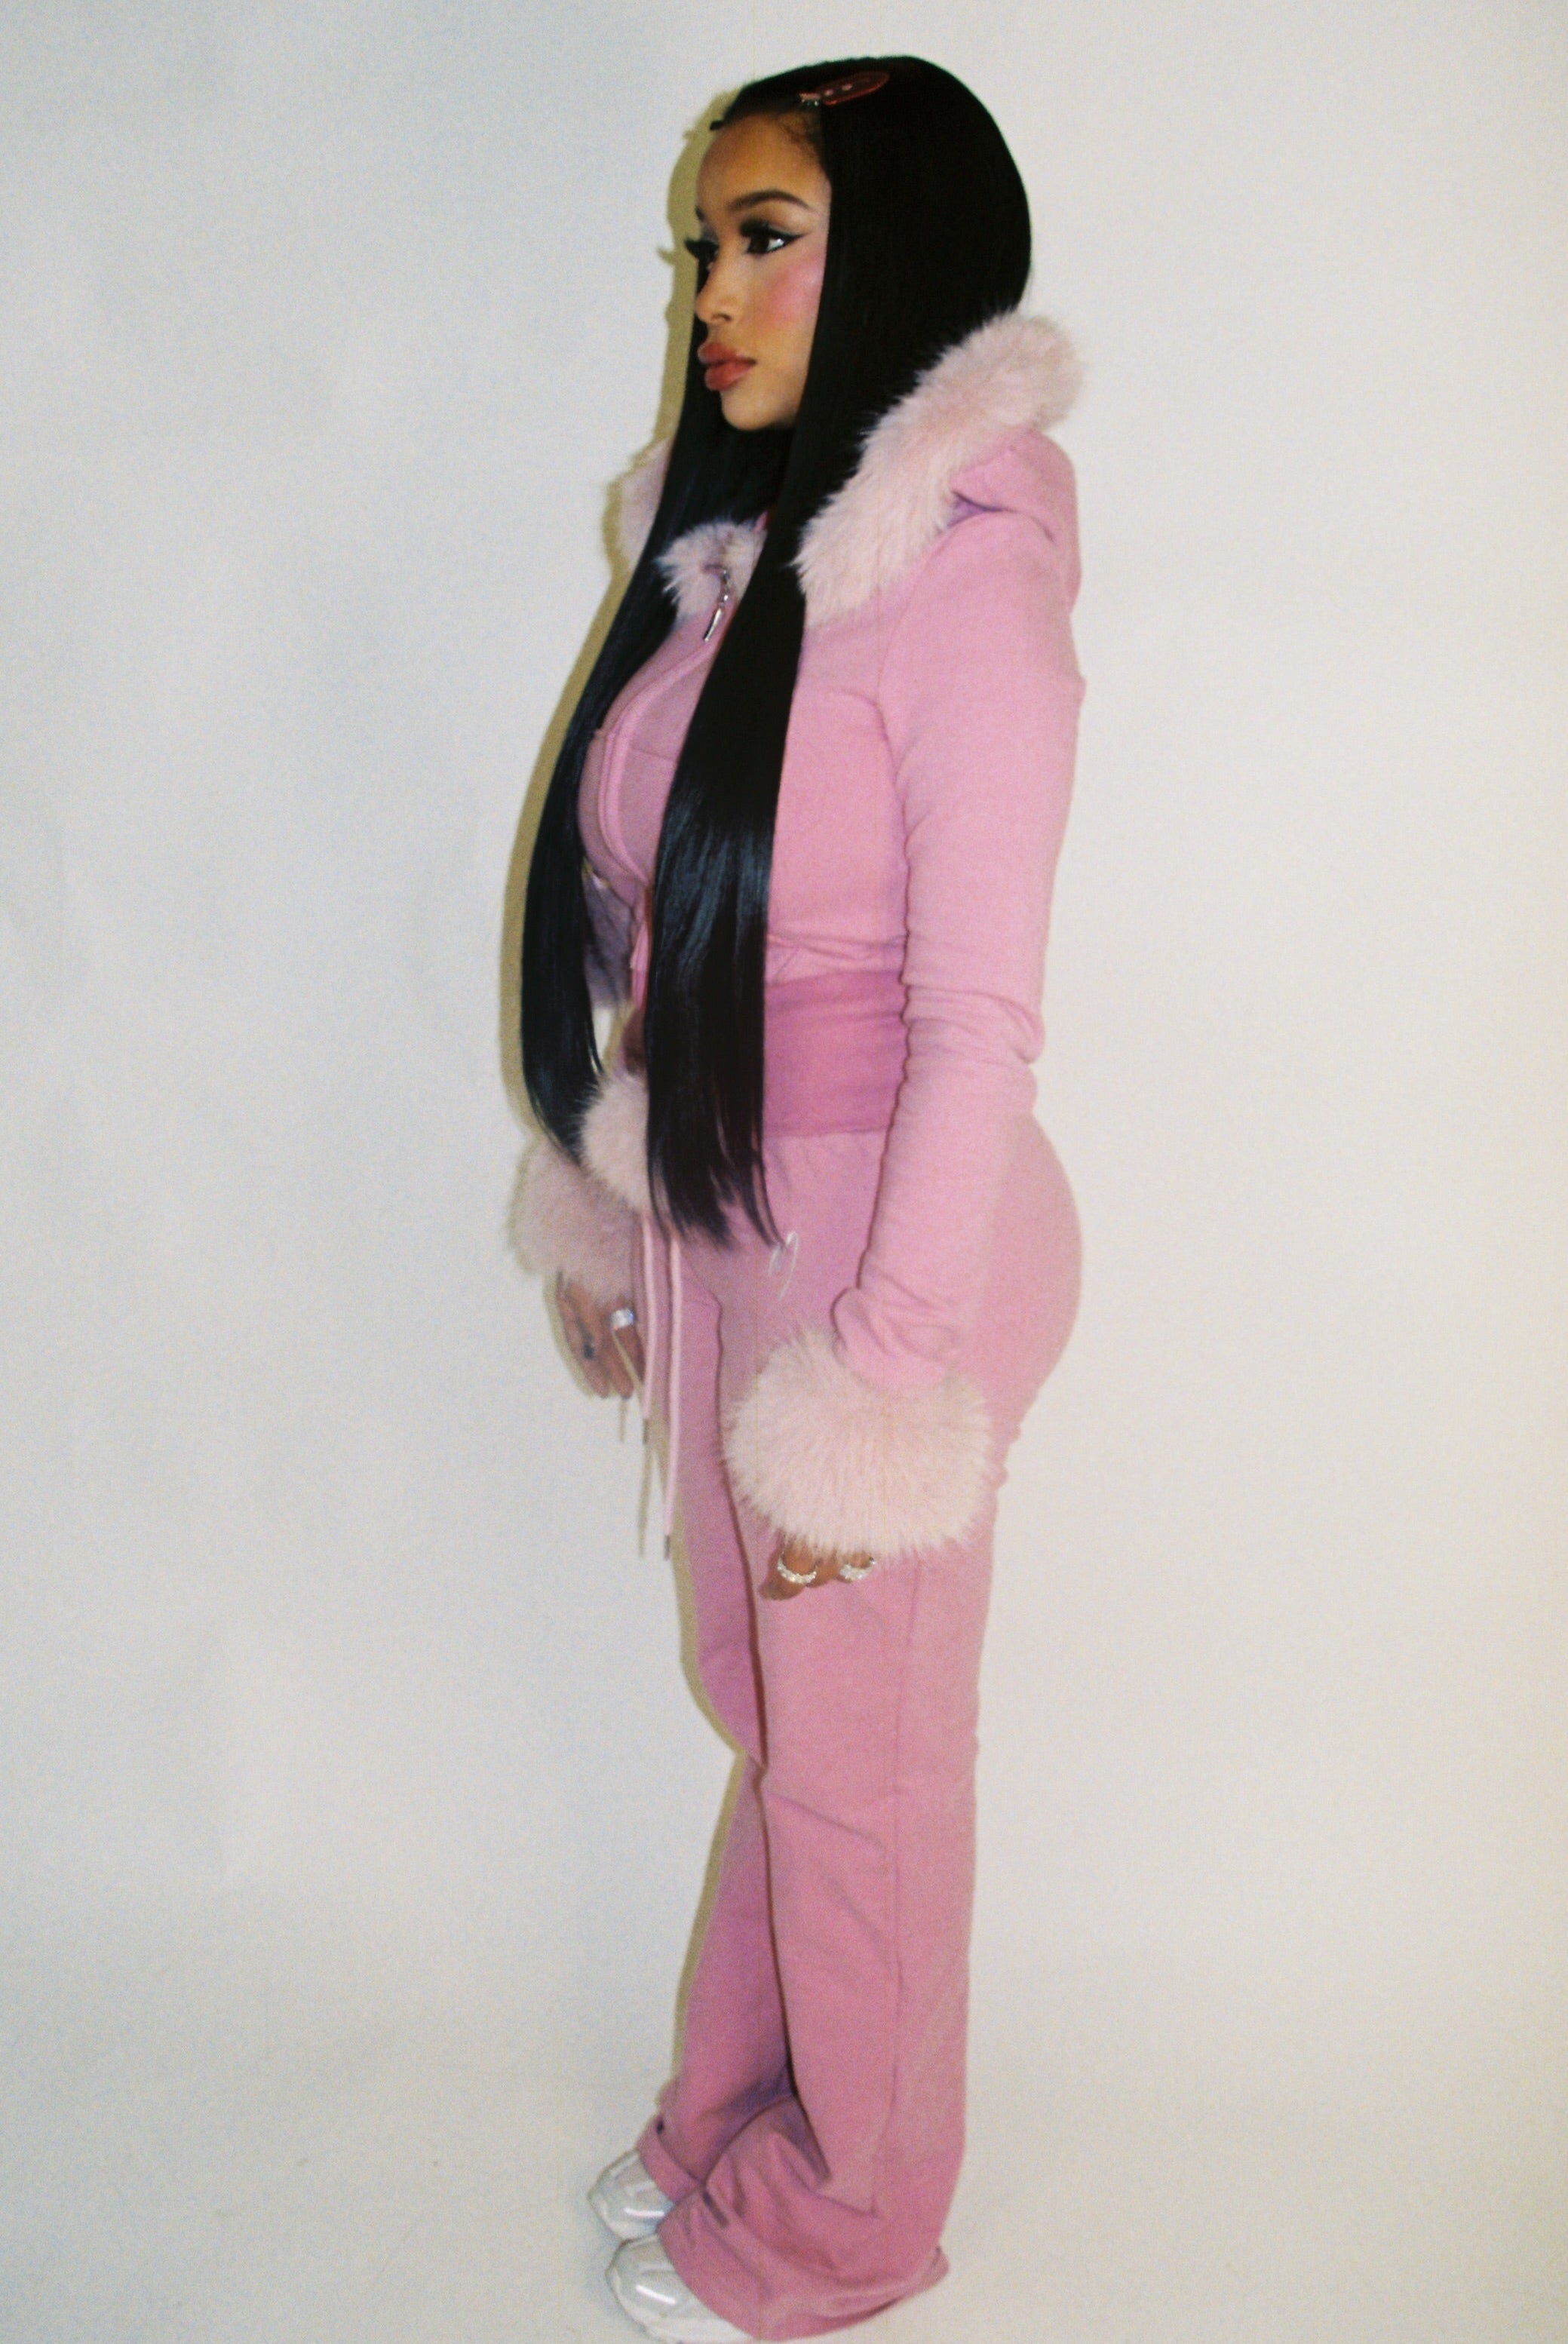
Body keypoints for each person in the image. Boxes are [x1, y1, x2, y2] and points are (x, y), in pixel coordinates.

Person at [512, 54, 1085, 2344]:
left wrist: (882, 1384)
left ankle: (856, 2219)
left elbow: (979, 1026)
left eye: (766, 238)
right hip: (738, 1217)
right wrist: (610, 1199)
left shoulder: (967, 585)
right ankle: (742, 2108)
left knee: (865, 1766)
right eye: (705, 245)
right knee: (773, 1703)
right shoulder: (729, 575)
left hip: (889, 1249)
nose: (713, 293)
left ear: (897, 253)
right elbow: (661, 926)